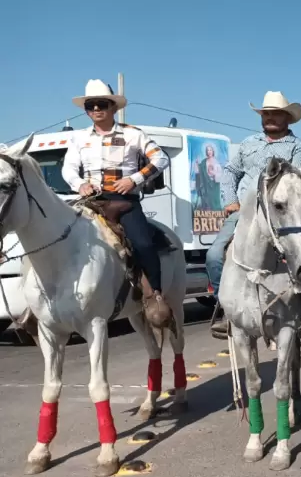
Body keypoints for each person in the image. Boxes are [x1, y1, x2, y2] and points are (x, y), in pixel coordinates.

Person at [206, 91, 301, 339]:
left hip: (286, 212)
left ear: (287, 118)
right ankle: (226, 309)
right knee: (213, 255)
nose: (270, 117)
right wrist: (231, 201)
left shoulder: (297, 147)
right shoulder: (248, 144)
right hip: (247, 213)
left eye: (275, 113)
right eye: (266, 113)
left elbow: (296, 180)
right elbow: (231, 172)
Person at [61, 79, 171, 324]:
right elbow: (68, 170)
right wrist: (80, 184)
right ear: (86, 110)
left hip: (125, 202)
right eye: (91, 106)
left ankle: (155, 294)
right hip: (91, 202)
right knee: (59, 237)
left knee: (143, 243)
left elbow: (161, 158)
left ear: (113, 107)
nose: (96, 109)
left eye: (102, 104)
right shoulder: (78, 139)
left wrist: (134, 179)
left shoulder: (133, 134)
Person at [192, 142, 223, 211]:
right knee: (205, 204)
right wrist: (197, 165)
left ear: (213, 151)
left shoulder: (216, 162)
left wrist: (214, 174)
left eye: (210, 150)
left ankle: (216, 217)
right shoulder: (204, 161)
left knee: (214, 203)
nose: (209, 152)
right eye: (207, 150)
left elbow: (219, 176)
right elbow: (200, 172)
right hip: (205, 186)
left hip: (214, 187)